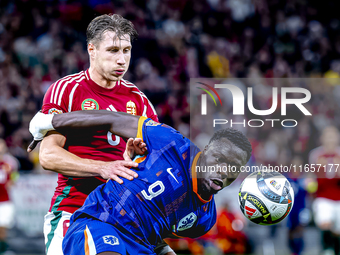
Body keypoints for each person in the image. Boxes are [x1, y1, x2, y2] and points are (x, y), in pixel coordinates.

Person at [28, 110, 252, 255]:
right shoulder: (171, 143)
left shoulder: (204, 219)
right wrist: (49, 121)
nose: (224, 170)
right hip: (101, 221)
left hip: (139, 246)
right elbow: (110, 119)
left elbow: (156, 234)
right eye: (219, 159)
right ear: (205, 152)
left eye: (233, 166)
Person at [29, 14, 159, 255]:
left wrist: (138, 160)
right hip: (74, 209)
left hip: (124, 216)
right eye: (112, 50)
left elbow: (157, 164)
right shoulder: (67, 90)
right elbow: (48, 157)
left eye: (126, 50)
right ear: (92, 49)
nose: (122, 59)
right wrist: (103, 167)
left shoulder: (140, 102)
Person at [309, 126, 340, 255]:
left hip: (339, 198)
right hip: (323, 197)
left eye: (333, 136)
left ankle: (334, 249)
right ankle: (327, 250)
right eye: (327, 136)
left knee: (337, 231)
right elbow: (311, 176)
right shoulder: (316, 155)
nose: (330, 139)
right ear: (322, 138)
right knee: (325, 222)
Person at [0, 139, 18, 254]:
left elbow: (14, 177)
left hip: (4, 201)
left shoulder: (8, 164)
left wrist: (12, 181)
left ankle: (3, 249)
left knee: (3, 228)